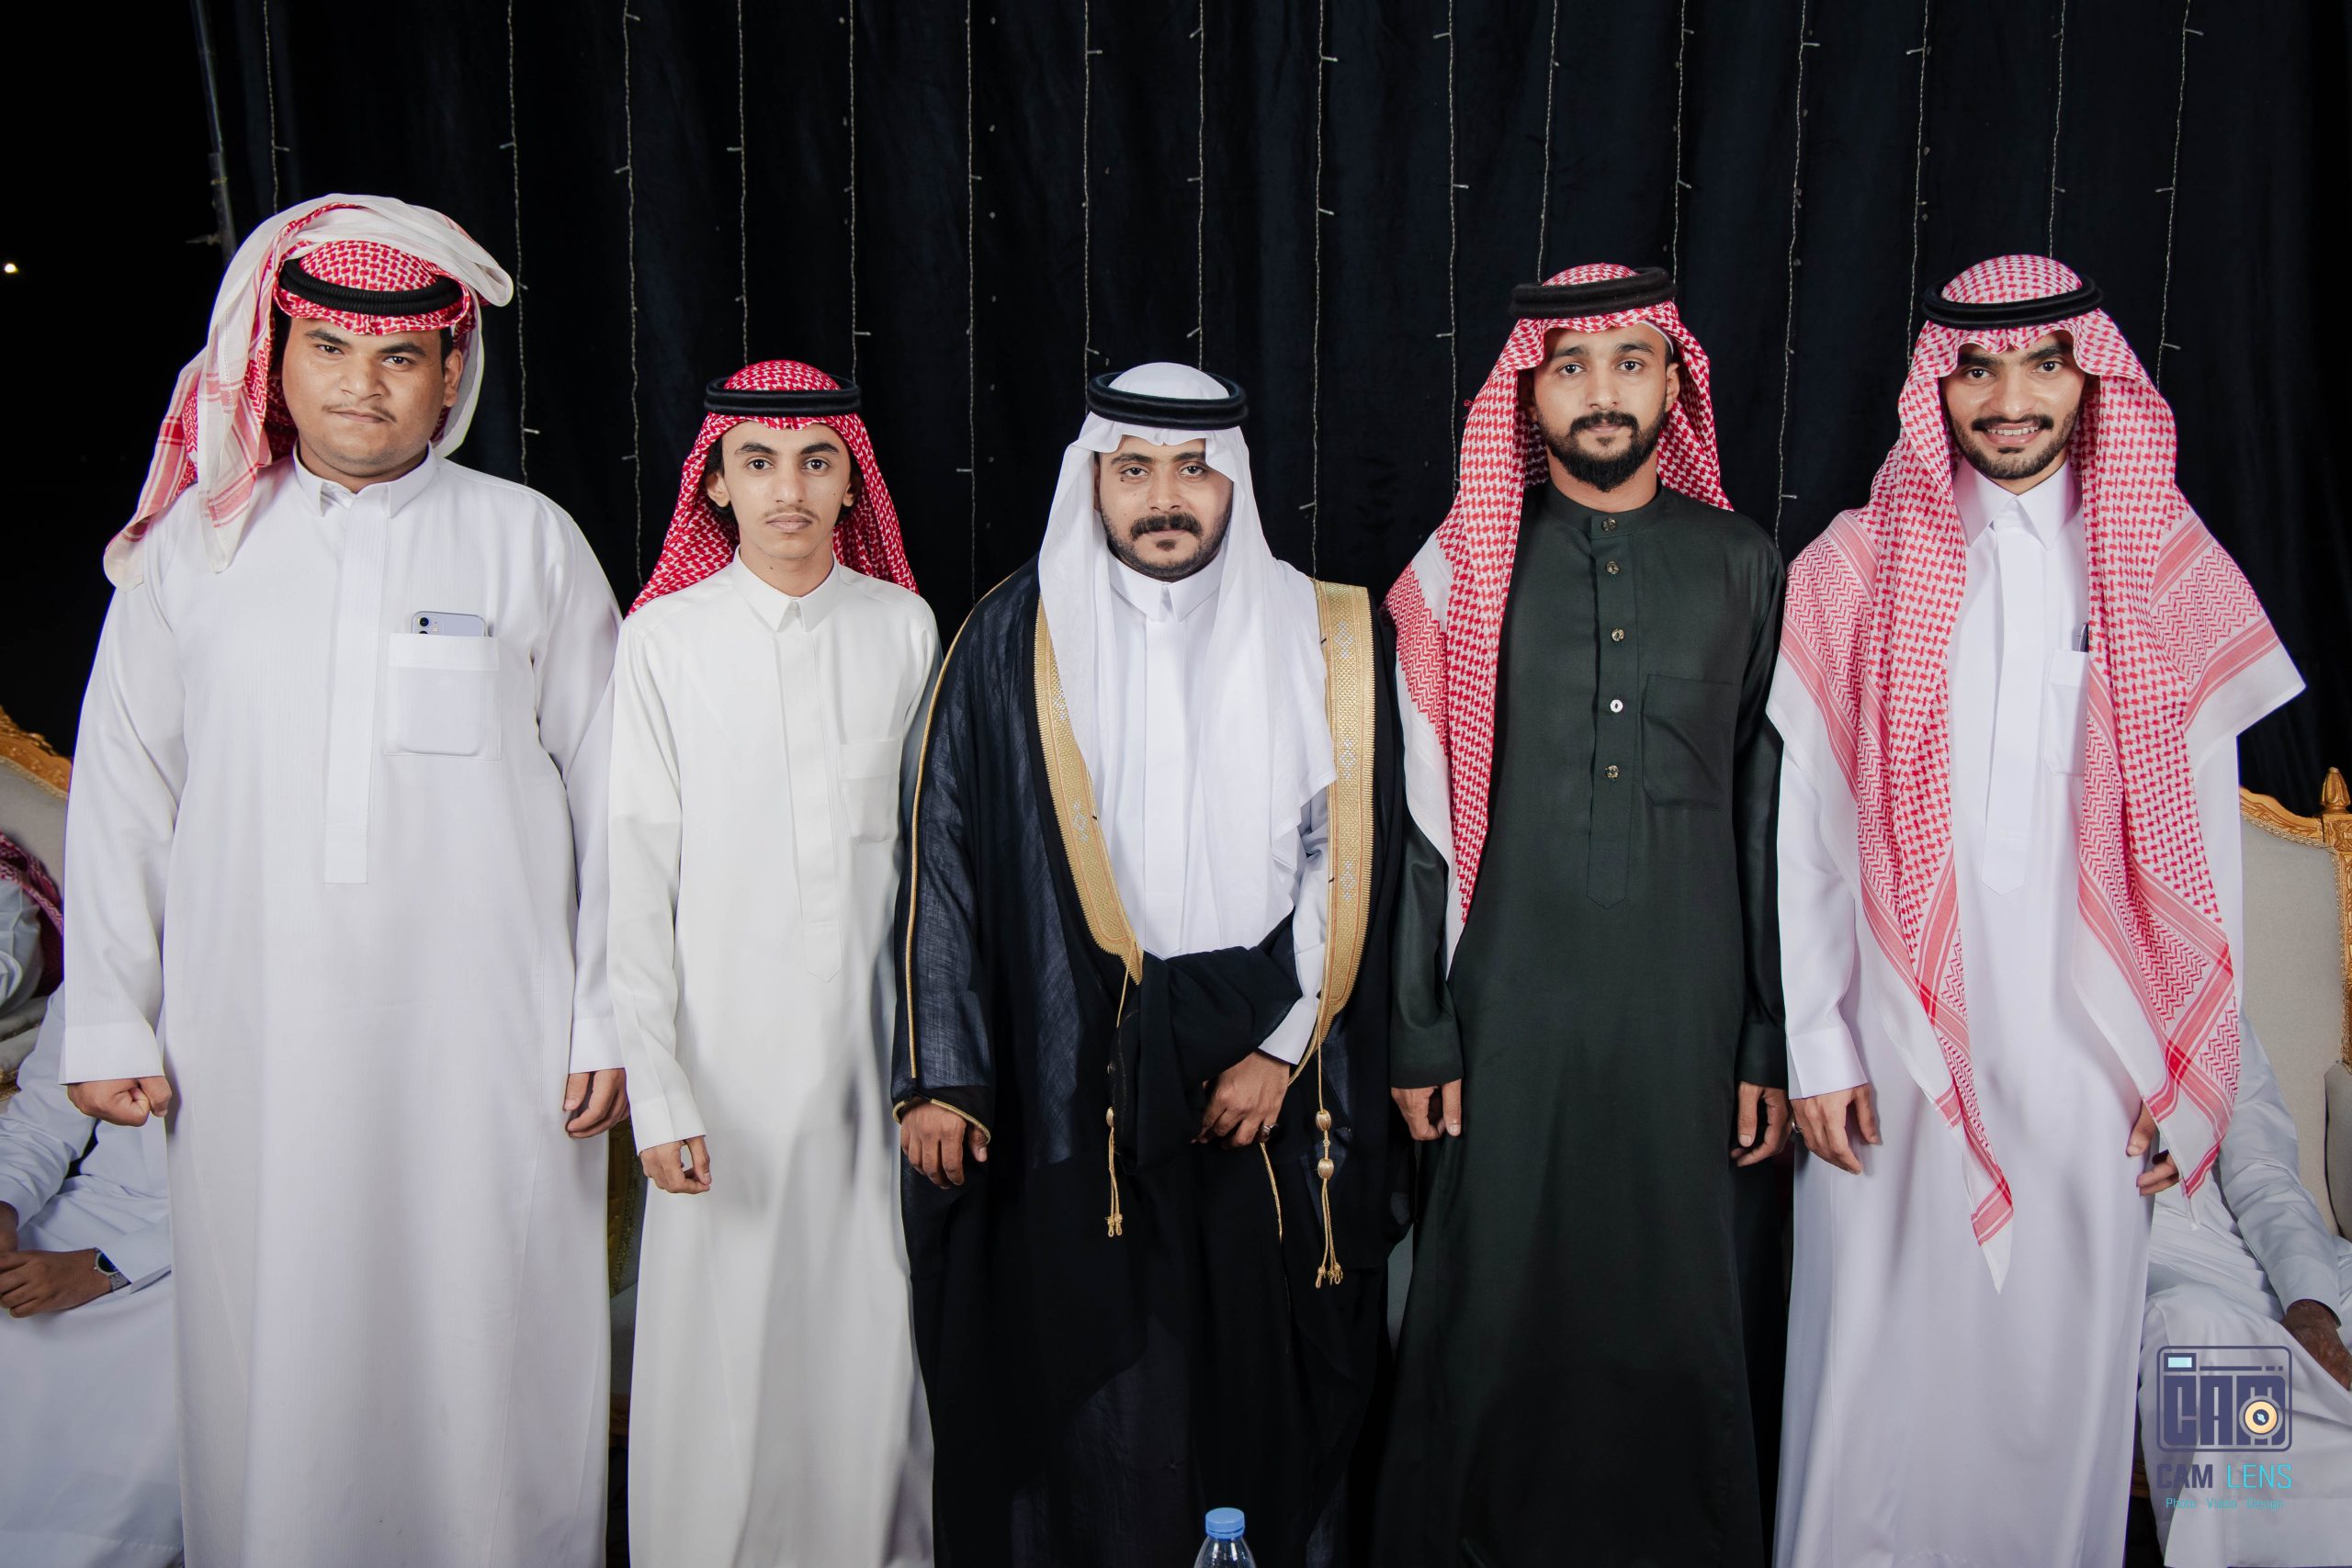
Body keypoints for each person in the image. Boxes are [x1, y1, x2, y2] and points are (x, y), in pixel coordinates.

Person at [55, 196, 623, 1567]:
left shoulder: (528, 540)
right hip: (256, 1036)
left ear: (450, 372)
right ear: (276, 359)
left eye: (399, 357)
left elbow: (621, 797)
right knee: (281, 1340)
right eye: (329, 349)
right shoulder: (193, 553)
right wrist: (110, 1016)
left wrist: (607, 1013)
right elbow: (126, 792)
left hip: (492, 1035)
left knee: (487, 1334)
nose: (363, 385)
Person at [1772, 255, 2302, 1567]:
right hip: (1892, 1052)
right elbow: (1812, 833)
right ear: (1937, 386)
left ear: (2090, 377)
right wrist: (1819, 1044)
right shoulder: (1853, 565)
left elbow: (2205, 858)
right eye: (1978, 369)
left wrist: (2196, 1075)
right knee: (1870, 1388)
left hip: (2089, 1060)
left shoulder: (2165, 568)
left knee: (2053, 1392)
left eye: (2043, 364)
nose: (2010, 397)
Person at [893, 363, 1403, 1567]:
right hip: (1075, 1057)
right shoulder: (1014, 634)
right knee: (1101, 1377)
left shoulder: (1323, 629)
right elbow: (945, 854)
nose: (1164, 496)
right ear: (1095, 482)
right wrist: (944, 1075)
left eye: (1193, 469)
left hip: (1261, 1054)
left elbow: (1347, 855)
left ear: (1236, 483)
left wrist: (1281, 1049)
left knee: (1254, 1368)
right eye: (1134, 470)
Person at [1373, 264, 1789, 1568]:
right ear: (1529, 392)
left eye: (1629, 362)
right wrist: (1417, 1025)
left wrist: (1766, 1035)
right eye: (1571, 366)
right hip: (1507, 1005)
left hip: (1689, 1008)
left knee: (1678, 1305)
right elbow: (1417, 817)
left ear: (1674, 385)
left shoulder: (1742, 563)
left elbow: (1767, 818)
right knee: (1493, 1300)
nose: (1601, 392)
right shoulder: (1462, 572)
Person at [611, 359, 936, 1567]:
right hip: (722, 1075)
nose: (787, 489)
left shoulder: (902, 628)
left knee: (872, 1334)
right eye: (758, 462)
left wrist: (938, 1068)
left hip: (875, 1069)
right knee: (723, 1351)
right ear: (716, 484)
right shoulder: (662, 642)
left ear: (853, 481)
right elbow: (633, 876)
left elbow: (936, 869)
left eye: (814, 461)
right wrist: (659, 1089)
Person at [2137, 1024, 2352, 1567]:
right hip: (2141, 1257)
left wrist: (2311, 1305)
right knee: (2191, 1326)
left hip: (2261, 1252)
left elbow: (2266, 1174)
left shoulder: (2204, 992)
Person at [0, 1010, 179, 1568]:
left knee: (139, 1387)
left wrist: (106, 1268)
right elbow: (40, 1125)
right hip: (98, 1202)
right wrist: (3, 1204)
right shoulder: (100, 977)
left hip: (227, 1250)